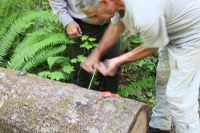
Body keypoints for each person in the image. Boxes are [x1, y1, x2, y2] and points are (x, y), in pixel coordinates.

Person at [74, 0, 200, 133]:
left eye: (94, 15)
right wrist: (96, 54)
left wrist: (116, 61)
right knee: (164, 78)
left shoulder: (143, 11)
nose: (96, 20)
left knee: (179, 97)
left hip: (192, 33)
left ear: (104, 2)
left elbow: (152, 44)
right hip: (172, 28)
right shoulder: (119, 4)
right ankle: (160, 125)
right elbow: (117, 26)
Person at [49, 0, 121, 93]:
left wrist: (118, 18)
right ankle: (79, 105)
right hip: (81, 26)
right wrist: (67, 21)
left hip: (112, 23)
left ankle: (111, 104)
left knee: (112, 70)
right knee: (81, 76)